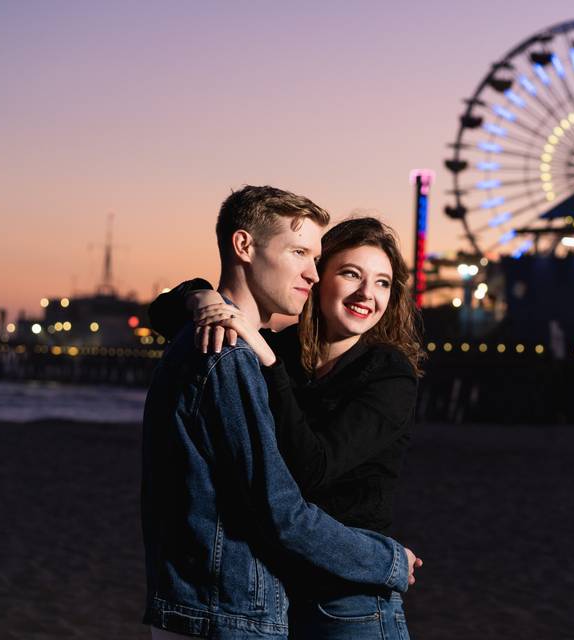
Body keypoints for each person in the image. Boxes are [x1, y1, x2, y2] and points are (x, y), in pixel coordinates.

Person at [141, 187, 420, 640]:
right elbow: (162, 311)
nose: (368, 293)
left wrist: (383, 561)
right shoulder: (266, 349)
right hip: (282, 591)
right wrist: (200, 297)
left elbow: (307, 476)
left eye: (384, 282)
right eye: (349, 273)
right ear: (318, 278)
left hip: (347, 593)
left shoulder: (386, 372)